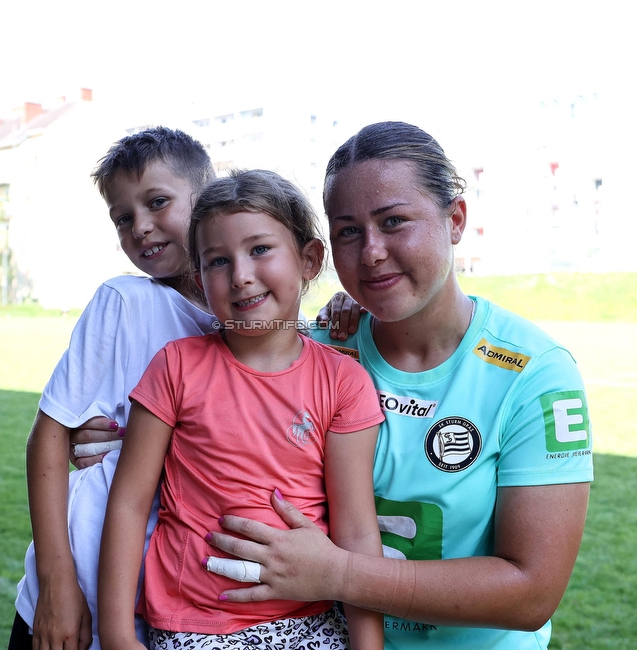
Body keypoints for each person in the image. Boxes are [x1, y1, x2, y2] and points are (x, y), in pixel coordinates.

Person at [204, 122, 594, 649]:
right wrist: (110, 435)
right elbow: (200, 406)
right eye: (348, 231)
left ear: (455, 219)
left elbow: (531, 593)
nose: (371, 253)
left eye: (393, 222)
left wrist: (339, 575)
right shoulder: (313, 348)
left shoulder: (535, 372)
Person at [97, 170, 385, 650]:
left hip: (312, 620)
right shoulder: (176, 366)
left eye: (259, 250)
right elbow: (128, 504)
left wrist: (367, 645)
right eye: (217, 261)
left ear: (309, 259)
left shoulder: (344, 381)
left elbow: (356, 529)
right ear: (199, 277)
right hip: (195, 624)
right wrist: (117, 635)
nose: (241, 275)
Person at [9, 127, 218, 650]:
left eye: (158, 203)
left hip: (168, 611)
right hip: (72, 603)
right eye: (123, 218)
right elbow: (50, 436)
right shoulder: (125, 302)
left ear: (207, 196)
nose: (141, 227)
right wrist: (59, 587)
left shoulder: (259, 325)